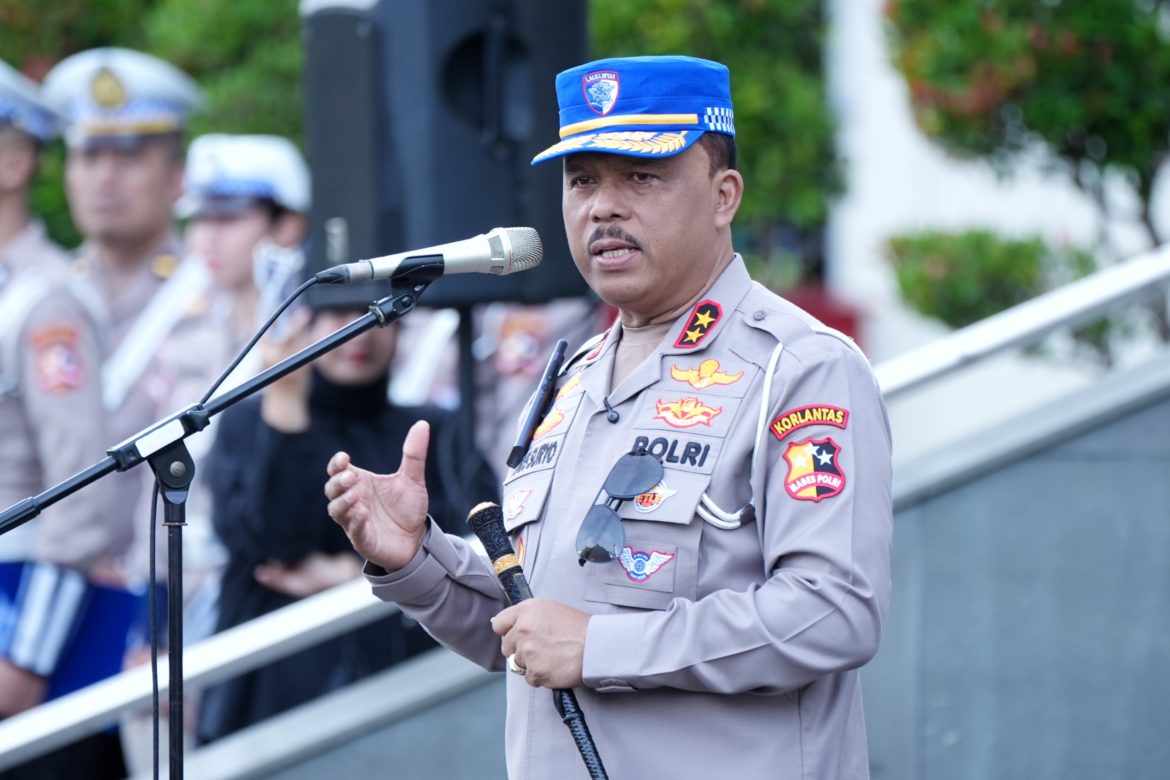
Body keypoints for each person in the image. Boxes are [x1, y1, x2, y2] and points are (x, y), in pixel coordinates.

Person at [325, 55, 893, 778]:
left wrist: (599, 647)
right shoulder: (573, 376)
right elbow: (534, 629)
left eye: (641, 176)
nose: (603, 207)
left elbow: (831, 613)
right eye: (582, 180)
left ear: (724, 196)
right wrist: (416, 559)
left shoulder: (802, 366)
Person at [196, 292, 498, 743]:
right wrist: (285, 410)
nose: (360, 331)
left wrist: (356, 581)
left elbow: (481, 558)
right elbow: (271, 540)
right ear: (304, 324)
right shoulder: (250, 422)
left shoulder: (431, 431)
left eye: (375, 313)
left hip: (407, 693)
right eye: (339, 311)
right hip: (270, 696)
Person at [116, 133, 312, 772]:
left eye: (228, 219)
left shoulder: (320, 328)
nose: (206, 236)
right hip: (174, 582)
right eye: (199, 218)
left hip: (265, 585)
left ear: (287, 224)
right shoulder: (179, 328)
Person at [0, 58, 125, 778]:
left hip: (26, 626)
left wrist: (26, 656)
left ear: (16, 159)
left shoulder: (44, 302)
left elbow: (79, 493)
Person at [40, 47, 206, 549]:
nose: (105, 178)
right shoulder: (39, 292)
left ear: (177, 178)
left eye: (130, 157)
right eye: (89, 156)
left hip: (160, 576)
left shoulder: (210, 293)